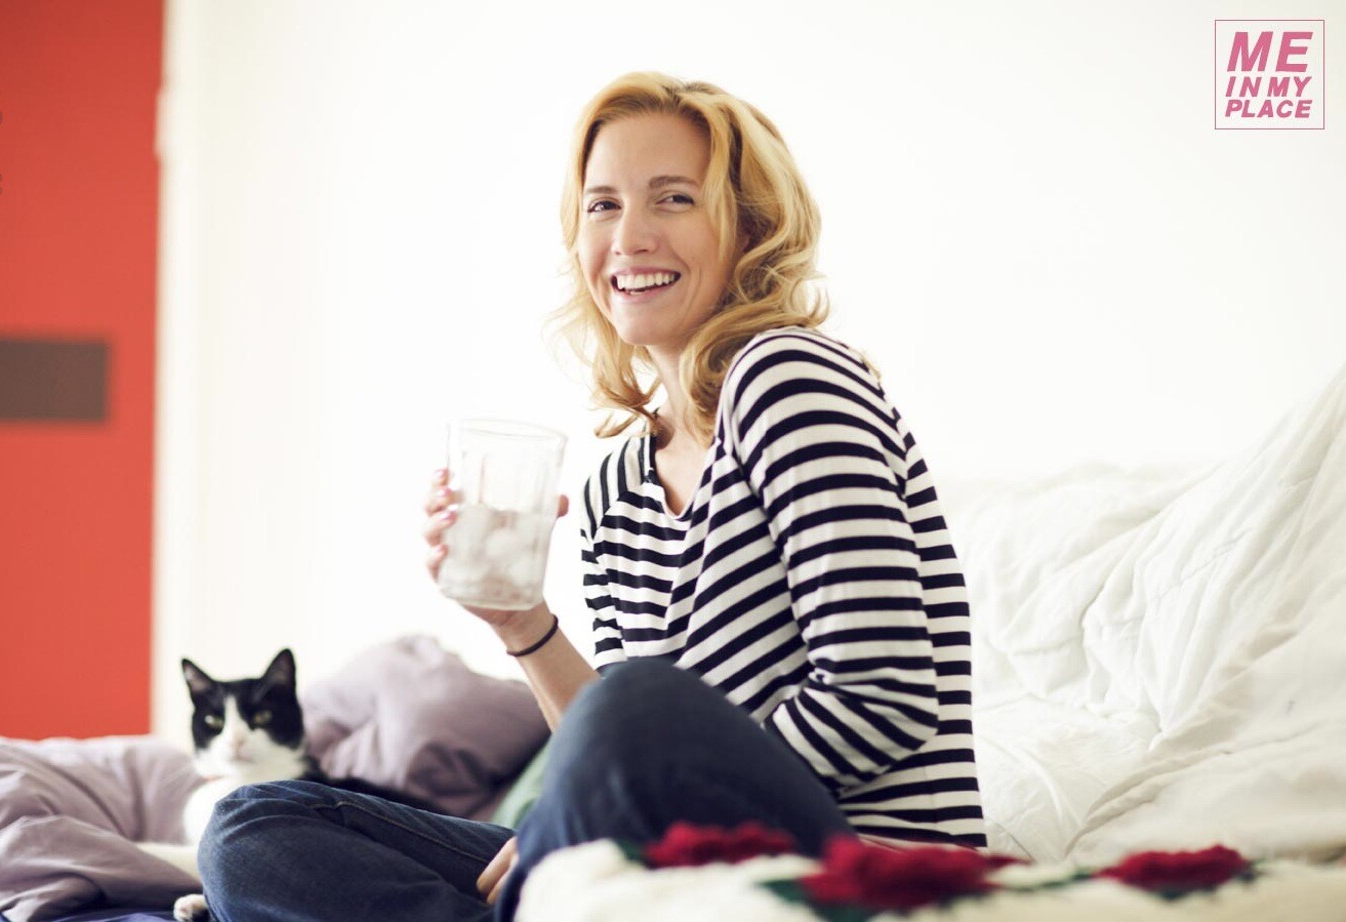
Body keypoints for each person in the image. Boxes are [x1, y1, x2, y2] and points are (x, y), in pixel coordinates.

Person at [197, 72, 985, 922]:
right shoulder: (616, 485)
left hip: (852, 864)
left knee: (636, 705)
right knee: (250, 828)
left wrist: (593, 823)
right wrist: (522, 624)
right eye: (602, 205)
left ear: (751, 227)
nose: (630, 237)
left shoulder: (788, 378)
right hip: (670, 871)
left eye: (674, 198)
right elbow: (606, 752)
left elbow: (883, 697)